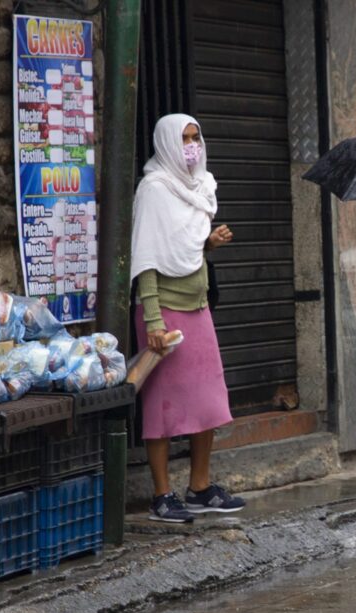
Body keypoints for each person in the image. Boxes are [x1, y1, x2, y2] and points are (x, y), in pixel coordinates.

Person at [131, 113, 245, 523]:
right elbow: (147, 259)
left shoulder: (199, 187)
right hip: (164, 311)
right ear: (166, 143)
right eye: (184, 139)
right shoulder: (154, 190)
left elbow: (180, 250)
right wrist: (153, 321)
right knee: (162, 406)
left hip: (198, 308)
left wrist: (207, 244)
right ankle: (162, 495)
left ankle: (199, 487)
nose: (192, 146)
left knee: (209, 400)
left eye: (196, 137)